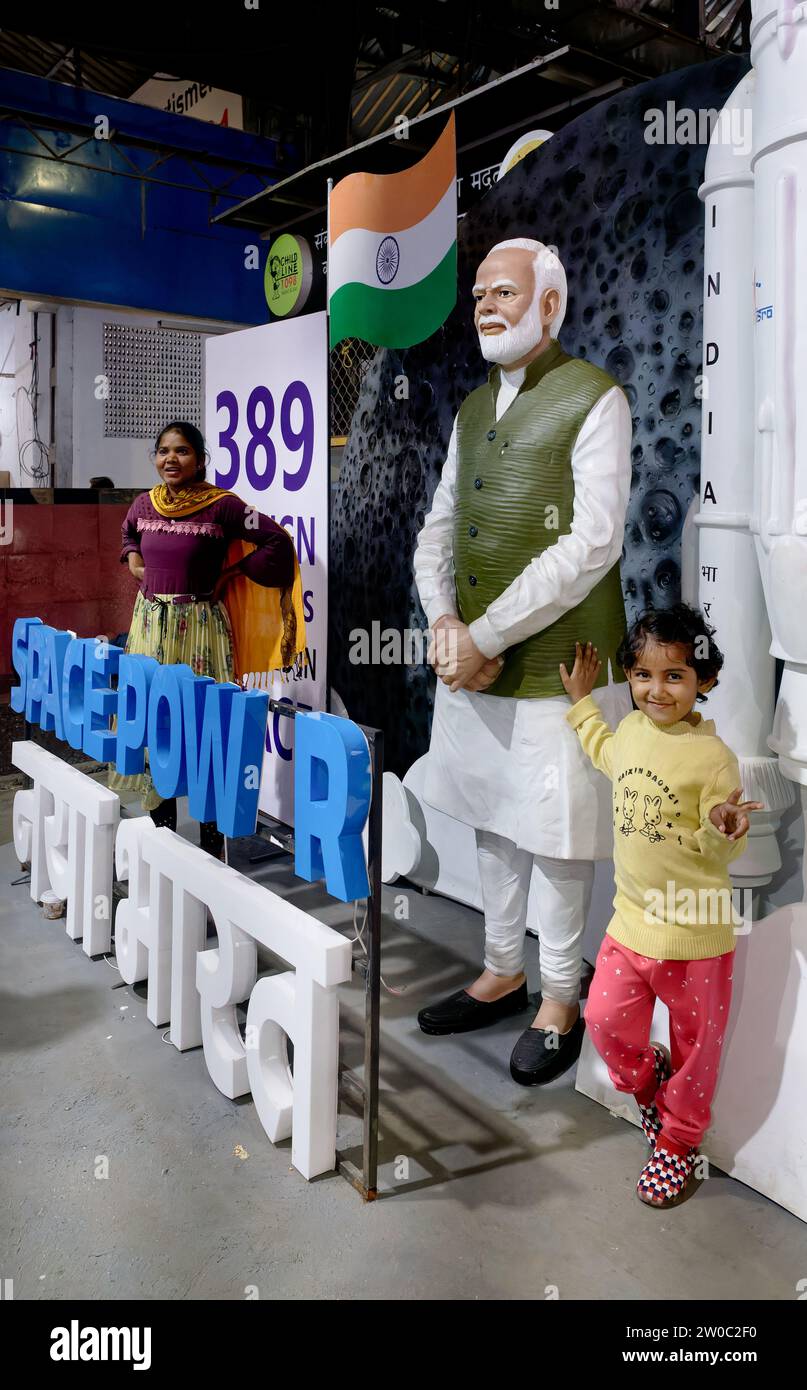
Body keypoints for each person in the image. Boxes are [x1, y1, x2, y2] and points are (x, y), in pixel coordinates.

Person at [413, 237, 633, 1085]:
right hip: (469, 663)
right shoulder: (472, 409)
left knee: (556, 836)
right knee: (491, 818)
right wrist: (440, 622)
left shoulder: (594, 398)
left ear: (550, 304)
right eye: (477, 297)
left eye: (502, 293)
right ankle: (501, 971)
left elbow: (593, 539)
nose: (485, 307)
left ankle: (558, 998)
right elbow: (436, 525)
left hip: (557, 670)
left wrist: (485, 636)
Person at [561, 605, 764, 1207]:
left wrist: (725, 827)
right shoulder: (629, 733)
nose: (656, 689)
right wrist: (581, 703)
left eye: (675, 675)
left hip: (696, 940)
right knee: (600, 1020)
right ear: (629, 675)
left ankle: (678, 1142)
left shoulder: (714, 758)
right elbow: (603, 749)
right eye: (643, 674)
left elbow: (719, 843)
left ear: (705, 680)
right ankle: (649, 1086)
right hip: (629, 925)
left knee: (696, 1053)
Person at [109, 420, 296, 856]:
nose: (170, 459)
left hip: (201, 634)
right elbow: (127, 533)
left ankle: (212, 860)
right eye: (163, 451)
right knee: (158, 733)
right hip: (149, 630)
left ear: (200, 460)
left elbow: (275, 541)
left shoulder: (222, 507)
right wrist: (133, 558)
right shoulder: (144, 504)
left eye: (182, 451)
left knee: (206, 731)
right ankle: (163, 851)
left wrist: (232, 573)